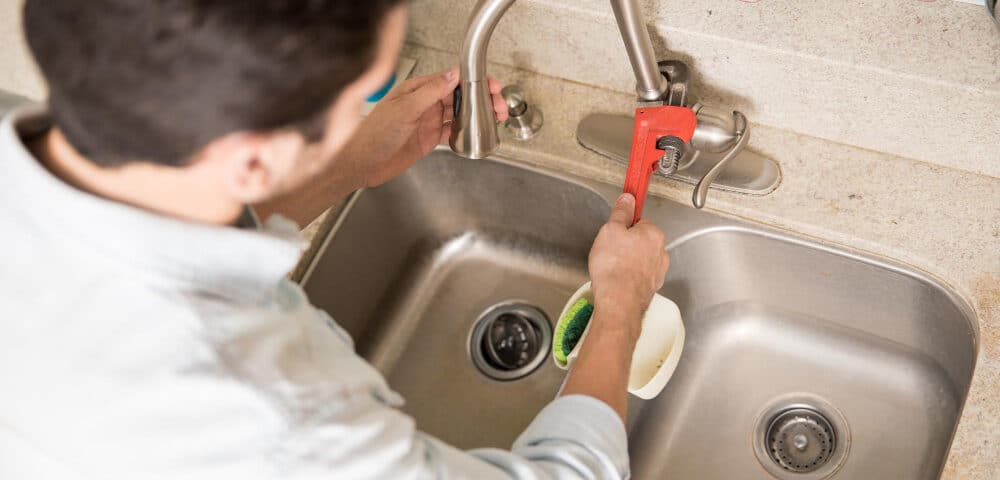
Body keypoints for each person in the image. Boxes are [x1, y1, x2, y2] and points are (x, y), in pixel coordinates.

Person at [0, 1, 670, 479]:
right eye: (355, 103)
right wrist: (620, 309)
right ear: (252, 159)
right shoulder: (276, 420)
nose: (360, 116)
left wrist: (346, 160)